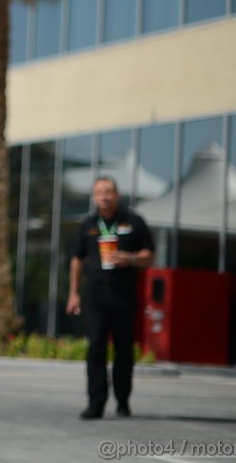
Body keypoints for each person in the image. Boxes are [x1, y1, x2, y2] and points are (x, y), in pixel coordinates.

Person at [66, 175, 155, 419]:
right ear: (94, 197)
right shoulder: (88, 224)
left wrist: (131, 259)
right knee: (95, 348)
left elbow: (150, 255)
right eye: (99, 192)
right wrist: (73, 294)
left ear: (116, 194)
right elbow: (77, 259)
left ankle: (123, 399)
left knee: (124, 350)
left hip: (124, 295)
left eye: (108, 191)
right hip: (96, 295)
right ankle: (96, 402)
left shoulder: (134, 221)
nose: (104, 196)